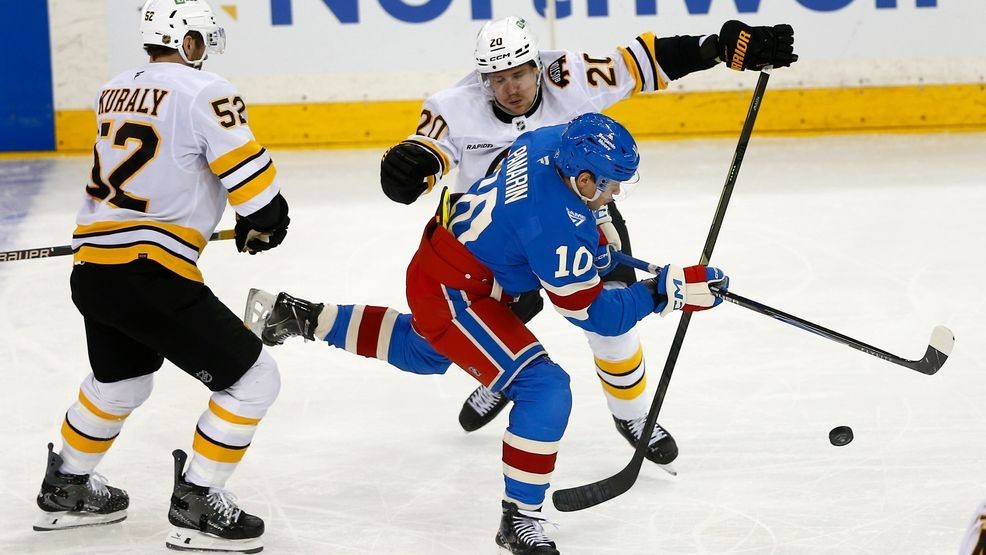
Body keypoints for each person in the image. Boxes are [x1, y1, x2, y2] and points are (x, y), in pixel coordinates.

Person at [249, 16, 797, 470]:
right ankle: (494, 372)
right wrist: (407, 165)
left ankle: (630, 414)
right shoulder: (452, 105)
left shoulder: (571, 75)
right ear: (481, 78)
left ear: (538, 64)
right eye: (497, 77)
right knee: (451, 340)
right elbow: (426, 149)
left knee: (611, 319)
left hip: (576, 219)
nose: (512, 86)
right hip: (489, 246)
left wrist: (717, 48)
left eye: (521, 71)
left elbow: (644, 62)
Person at [251, 113, 729, 553]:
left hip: (455, 259)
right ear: (582, 179)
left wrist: (595, 246)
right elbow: (596, 315)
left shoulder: (550, 141)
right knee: (544, 387)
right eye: (609, 186)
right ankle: (519, 516)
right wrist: (664, 293)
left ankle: (300, 317)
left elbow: (520, 188)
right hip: (458, 290)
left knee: (426, 351)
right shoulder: (554, 229)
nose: (616, 196)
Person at [34, 1, 290, 553]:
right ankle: (199, 499)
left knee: (122, 382)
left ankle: (68, 483)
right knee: (254, 379)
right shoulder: (205, 91)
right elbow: (258, 194)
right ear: (190, 41)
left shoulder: (112, 89)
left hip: (94, 271)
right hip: (151, 272)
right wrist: (263, 221)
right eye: (202, 41)